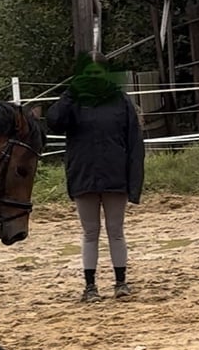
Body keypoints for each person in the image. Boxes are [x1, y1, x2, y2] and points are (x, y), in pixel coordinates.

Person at [46, 51, 145, 302]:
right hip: (84, 175)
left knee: (115, 230)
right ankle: (90, 287)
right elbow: (54, 122)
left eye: (96, 73)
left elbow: (134, 143)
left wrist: (134, 181)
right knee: (90, 232)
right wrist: (70, 94)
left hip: (115, 175)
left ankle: (120, 282)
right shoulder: (73, 102)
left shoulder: (121, 102)